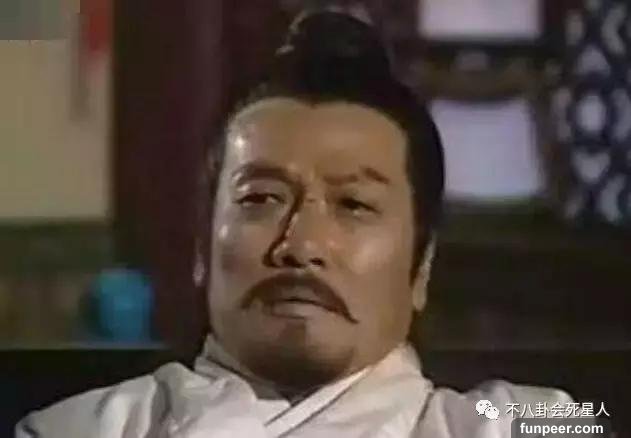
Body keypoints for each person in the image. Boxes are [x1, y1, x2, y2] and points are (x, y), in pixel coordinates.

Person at [16, 11, 573, 438]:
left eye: (353, 204)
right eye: (260, 199)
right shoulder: (85, 428)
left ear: (420, 268)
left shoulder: (506, 422)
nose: (302, 245)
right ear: (202, 249)